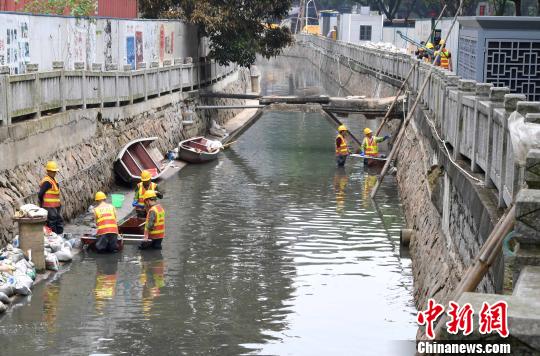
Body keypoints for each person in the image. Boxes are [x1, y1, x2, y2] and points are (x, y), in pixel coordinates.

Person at [38, 161, 64, 235]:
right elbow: (40, 194)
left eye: (55, 171)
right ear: (48, 171)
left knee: (58, 221)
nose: (54, 173)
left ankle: (59, 236)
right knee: (52, 222)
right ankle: (54, 237)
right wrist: (42, 204)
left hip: (55, 206)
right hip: (49, 206)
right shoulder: (47, 182)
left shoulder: (53, 180)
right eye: (53, 171)